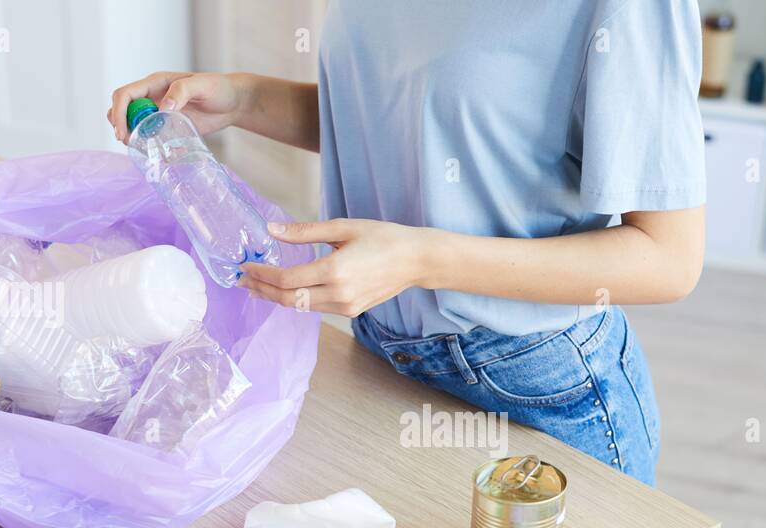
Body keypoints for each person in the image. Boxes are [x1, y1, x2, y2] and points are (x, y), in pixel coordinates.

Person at [110, 0, 705, 485]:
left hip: (536, 392)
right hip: (378, 355)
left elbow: (668, 259)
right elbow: (409, 121)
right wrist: (245, 100)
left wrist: (419, 260)